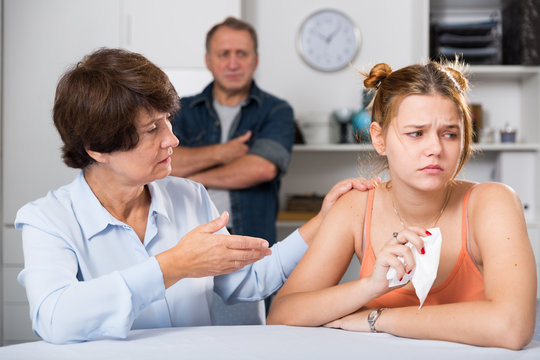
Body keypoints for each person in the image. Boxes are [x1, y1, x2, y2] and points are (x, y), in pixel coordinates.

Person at [14, 47, 375, 344]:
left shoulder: (188, 196)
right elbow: (55, 319)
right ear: (98, 149)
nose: (171, 139)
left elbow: (249, 280)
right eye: (152, 129)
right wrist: (173, 266)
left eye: (167, 120)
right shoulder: (47, 219)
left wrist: (321, 222)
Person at [266, 60, 538, 350]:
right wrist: (369, 287)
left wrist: (378, 319)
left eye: (450, 133)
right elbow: (282, 315)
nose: (435, 148)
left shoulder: (493, 203)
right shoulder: (357, 207)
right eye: (416, 133)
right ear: (379, 139)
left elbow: (511, 326)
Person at [170, 17, 295, 246]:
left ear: (255, 60)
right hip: (186, 237)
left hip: (249, 239)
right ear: (208, 61)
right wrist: (222, 153)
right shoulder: (180, 110)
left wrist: (197, 178)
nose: (233, 64)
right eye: (223, 54)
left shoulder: (277, 110)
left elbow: (263, 168)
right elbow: (164, 163)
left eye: (242, 54)